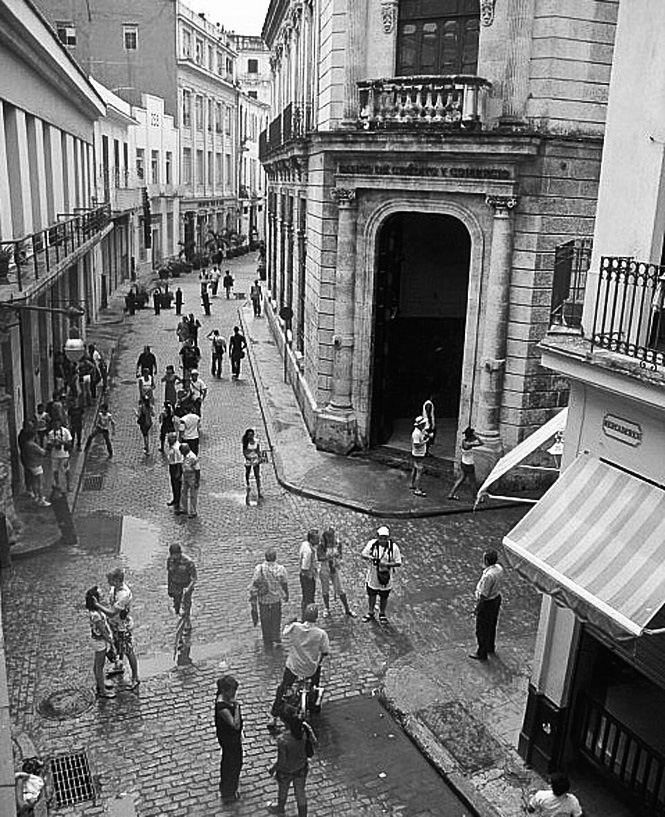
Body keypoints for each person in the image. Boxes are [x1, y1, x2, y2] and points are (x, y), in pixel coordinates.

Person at [268, 604, 329, 731]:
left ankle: (273, 716)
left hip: (294, 666)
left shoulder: (295, 628)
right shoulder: (321, 634)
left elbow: (284, 632)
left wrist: (289, 622)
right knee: (315, 684)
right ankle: (314, 703)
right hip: (311, 668)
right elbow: (325, 651)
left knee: (283, 687)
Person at [96, 568, 140, 690]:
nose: (108, 582)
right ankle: (119, 665)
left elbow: (111, 612)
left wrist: (97, 606)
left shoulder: (124, 595)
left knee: (128, 650)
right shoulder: (113, 589)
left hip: (122, 628)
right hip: (115, 625)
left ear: (116, 580)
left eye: (110, 580)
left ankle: (135, 677)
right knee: (118, 646)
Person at [268, 712, 316, 817]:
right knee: (300, 792)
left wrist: (273, 768)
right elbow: (313, 741)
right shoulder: (304, 732)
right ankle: (302, 815)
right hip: (301, 767)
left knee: (283, 789)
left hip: (286, 771)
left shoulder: (282, 740)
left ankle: (280, 808)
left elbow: (282, 761)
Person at [360, 525, 403, 625]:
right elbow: (363, 554)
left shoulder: (394, 548)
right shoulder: (372, 544)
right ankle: (371, 612)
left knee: (384, 596)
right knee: (372, 594)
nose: (383, 540)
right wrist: (371, 558)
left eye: (385, 538)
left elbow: (398, 562)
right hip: (373, 575)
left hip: (386, 577)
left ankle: (382, 613)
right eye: (381, 537)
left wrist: (387, 564)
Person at [249, 547, 289, 648]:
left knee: (264, 618)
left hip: (263, 598)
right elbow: (284, 583)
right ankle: (276, 637)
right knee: (276, 617)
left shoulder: (259, 568)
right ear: (275, 557)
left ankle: (267, 638)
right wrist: (286, 595)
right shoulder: (281, 569)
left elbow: (254, 582)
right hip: (276, 598)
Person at [469, 549, 504, 662]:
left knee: (482, 629)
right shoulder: (498, 569)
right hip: (496, 599)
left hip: (488, 603)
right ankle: (490, 647)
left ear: (487, 561)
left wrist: (477, 608)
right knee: (491, 625)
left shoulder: (488, 576)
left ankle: (482, 652)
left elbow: (484, 595)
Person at [215, 675, 243, 804]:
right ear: (225, 691)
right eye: (232, 691)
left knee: (230, 761)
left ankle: (229, 787)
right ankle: (229, 790)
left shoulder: (225, 700)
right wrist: (237, 707)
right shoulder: (222, 707)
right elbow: (235, 725)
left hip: (231, 739)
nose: (234, 694)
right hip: (229, 740)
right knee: (232, 763)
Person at [85, 585, 116, 698]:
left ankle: (100, 682)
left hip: (99, 641)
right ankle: (102, 690)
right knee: (99, 666)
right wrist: (111, 642)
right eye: (100, 594)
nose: (103, 595)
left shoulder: (96, 611)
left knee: (98, 665)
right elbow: (103, 631)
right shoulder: (96, 615)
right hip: (99, 643)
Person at [317, 527, 356, 618]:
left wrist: (338, 559)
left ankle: (347, 609)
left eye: (332, 536)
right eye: (328, 536)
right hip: (325, 568)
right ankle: (326, 608)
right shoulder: (321, 545)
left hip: (335, 568)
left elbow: (340, 555)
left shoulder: (338, 544)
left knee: (340, 589)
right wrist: (329, 557)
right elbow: (319, 557)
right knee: (325, 589)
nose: (330, 538)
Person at [448, 426, 482, 500]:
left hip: (463, 463)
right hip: (469, 464)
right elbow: (481, 443)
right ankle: (475, 497)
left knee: (461, 479)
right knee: (472, 481)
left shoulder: (463, 441)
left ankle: (451, 493)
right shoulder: (470, 444)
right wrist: (476, 436)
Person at [166, 543, 197, 615]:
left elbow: (194, 578)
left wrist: (188, 588)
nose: (175, 557)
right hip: (175, 585)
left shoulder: (188, 562)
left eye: (176, 555)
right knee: (176, 604)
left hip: (186, 585)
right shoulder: (170, 560)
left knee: (186, 605)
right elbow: (170, 574)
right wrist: (169, 588)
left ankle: (186, 620)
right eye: (173, 555)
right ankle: (178, 617)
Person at [22, 431, 49, 507]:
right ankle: (41, 499)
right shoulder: (33, 445)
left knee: (34, 481)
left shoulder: (26, 444)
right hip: (36, 465)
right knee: (40, 483)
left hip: (30, 464)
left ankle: (36, 496)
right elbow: (43, 452)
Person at [46, 417, 73, 492]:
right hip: (54, 455)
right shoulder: (51, 433)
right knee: (55, 470)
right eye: (54, 423)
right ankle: (57, 484)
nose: (56, 425)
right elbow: (48, 446)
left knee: (67, 470)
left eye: (57, 423)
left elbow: (70, 443)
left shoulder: (66, 431)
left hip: (64, 455)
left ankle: (68, 485)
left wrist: (62, 442)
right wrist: (53, 443)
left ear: (60, 423)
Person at [298, 530, 319, 620]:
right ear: (311, 539)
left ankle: (304, 615)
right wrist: (311, 576)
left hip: (304, 576)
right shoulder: (309, 552)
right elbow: (305, 568)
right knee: (309, 598)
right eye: (317, 539)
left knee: (305, 597)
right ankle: (308, 617)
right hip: (307, 577)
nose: (318, 540)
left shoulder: (305, 544)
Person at [178, 442, 201, 518]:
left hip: (192, 476)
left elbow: (197, 470)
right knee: (183, 492)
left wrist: (197, 481)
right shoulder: (183, 456)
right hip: (185, 476)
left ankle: (193, 511)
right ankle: (183, 508)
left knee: (193, 495)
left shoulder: (193, 457)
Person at [409, 415, 429, 497]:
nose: (424, 424)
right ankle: (417, 489)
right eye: (423, 423)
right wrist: (425, 441)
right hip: (418, 454)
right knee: (419, 471)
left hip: (416, 453)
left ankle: (412, 484)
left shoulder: (420, 430)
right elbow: (416, 445)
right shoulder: (416, 433)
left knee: (414, 468)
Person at [242, 427, 263, 505]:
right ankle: (248, 484)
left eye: (251, 435)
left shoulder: (256, 442)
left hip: (255, 459)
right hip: (248, 459)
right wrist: (248, 458)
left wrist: (260, 458)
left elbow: (258, 451)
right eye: (249, 435)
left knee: (257, 475)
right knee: (247, 472)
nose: (250, 436)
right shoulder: (245, 443)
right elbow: (244, 452)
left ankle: (259, 490)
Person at [166, 431, 184, 508]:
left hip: (176, 467)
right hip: (172, 466)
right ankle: (175, 498)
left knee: (177, 485)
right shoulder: (173, 446)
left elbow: (179, 461)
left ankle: (178, 501)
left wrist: (178, 472)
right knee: (173, 484)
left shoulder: (177, 448)